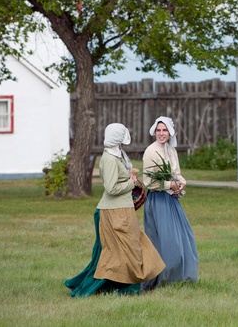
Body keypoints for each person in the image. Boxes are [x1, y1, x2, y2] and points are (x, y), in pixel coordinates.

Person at [65, 123, 165, 297]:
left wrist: (128, 177)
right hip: (114, 211)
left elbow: (118, 180)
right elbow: (111, 188)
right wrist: (131, 183)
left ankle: (127, 286)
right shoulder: (110, 158)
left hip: (123, 209)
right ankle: (123, 288)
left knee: (132, 248)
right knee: (122, 252)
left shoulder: (117, 155)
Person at [141, 116, 198, 290]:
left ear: (170, 132)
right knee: (165, 241)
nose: (161, 133)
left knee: (183, 237)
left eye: (164, 130)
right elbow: (148, 181)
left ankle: (180, 277)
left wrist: (181, 183)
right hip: (157, 200)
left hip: (171, 199)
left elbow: (177, 173)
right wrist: (168, 184)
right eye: (158, 130)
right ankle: (162, 278)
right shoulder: (151, 151)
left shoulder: (171, 150)